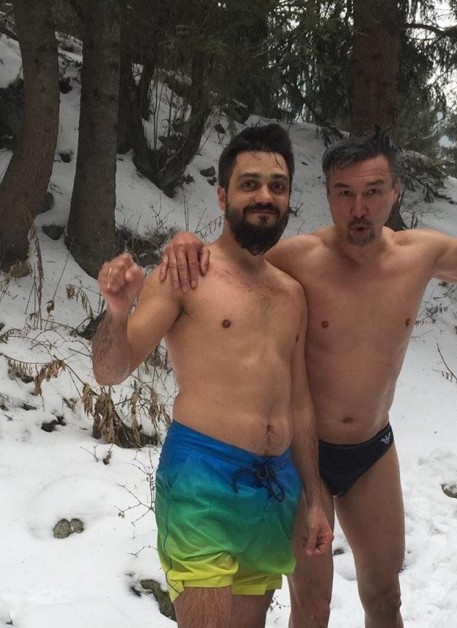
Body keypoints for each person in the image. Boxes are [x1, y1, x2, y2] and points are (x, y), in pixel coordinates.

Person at [159, 130, 457, 627]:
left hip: (371, 451)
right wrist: (185, 242)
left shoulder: (419, 254)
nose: (359, 208)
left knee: (385, 598)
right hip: (301, 454)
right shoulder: (297, 258)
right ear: (328, 193)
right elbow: (226, 261)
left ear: (395, 191)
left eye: (373, 191)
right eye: (345, 193)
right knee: (312, 608)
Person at [91, 124, 333, 628]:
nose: (264, 196)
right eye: (249, 184)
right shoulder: (186, 274)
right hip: (202, 478)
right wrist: (116, 311)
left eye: (277, 186)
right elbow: (110, 370)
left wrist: (314, 496)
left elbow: (301, 402)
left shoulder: (292, 294)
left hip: (275, 488)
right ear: (222, 195)